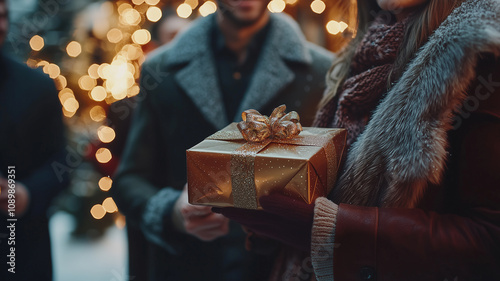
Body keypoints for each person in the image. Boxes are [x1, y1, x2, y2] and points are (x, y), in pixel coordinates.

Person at [215, 0, 500, 280]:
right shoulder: (357, 52)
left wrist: (333, 230)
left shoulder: (481, 53)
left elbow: (489, 242)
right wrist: (274, 208)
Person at [111, 0, 334, 279]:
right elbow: (129, 179)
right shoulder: (161, 69)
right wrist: (172, 212)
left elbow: (333, 184)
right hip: (186, 266)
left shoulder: (322, 71)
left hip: (277, 267)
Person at [0, 0, 69, 280]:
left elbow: (62, 163)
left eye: (2, 16)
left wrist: (26, 194)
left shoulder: (36, 86)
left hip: (21, 249)